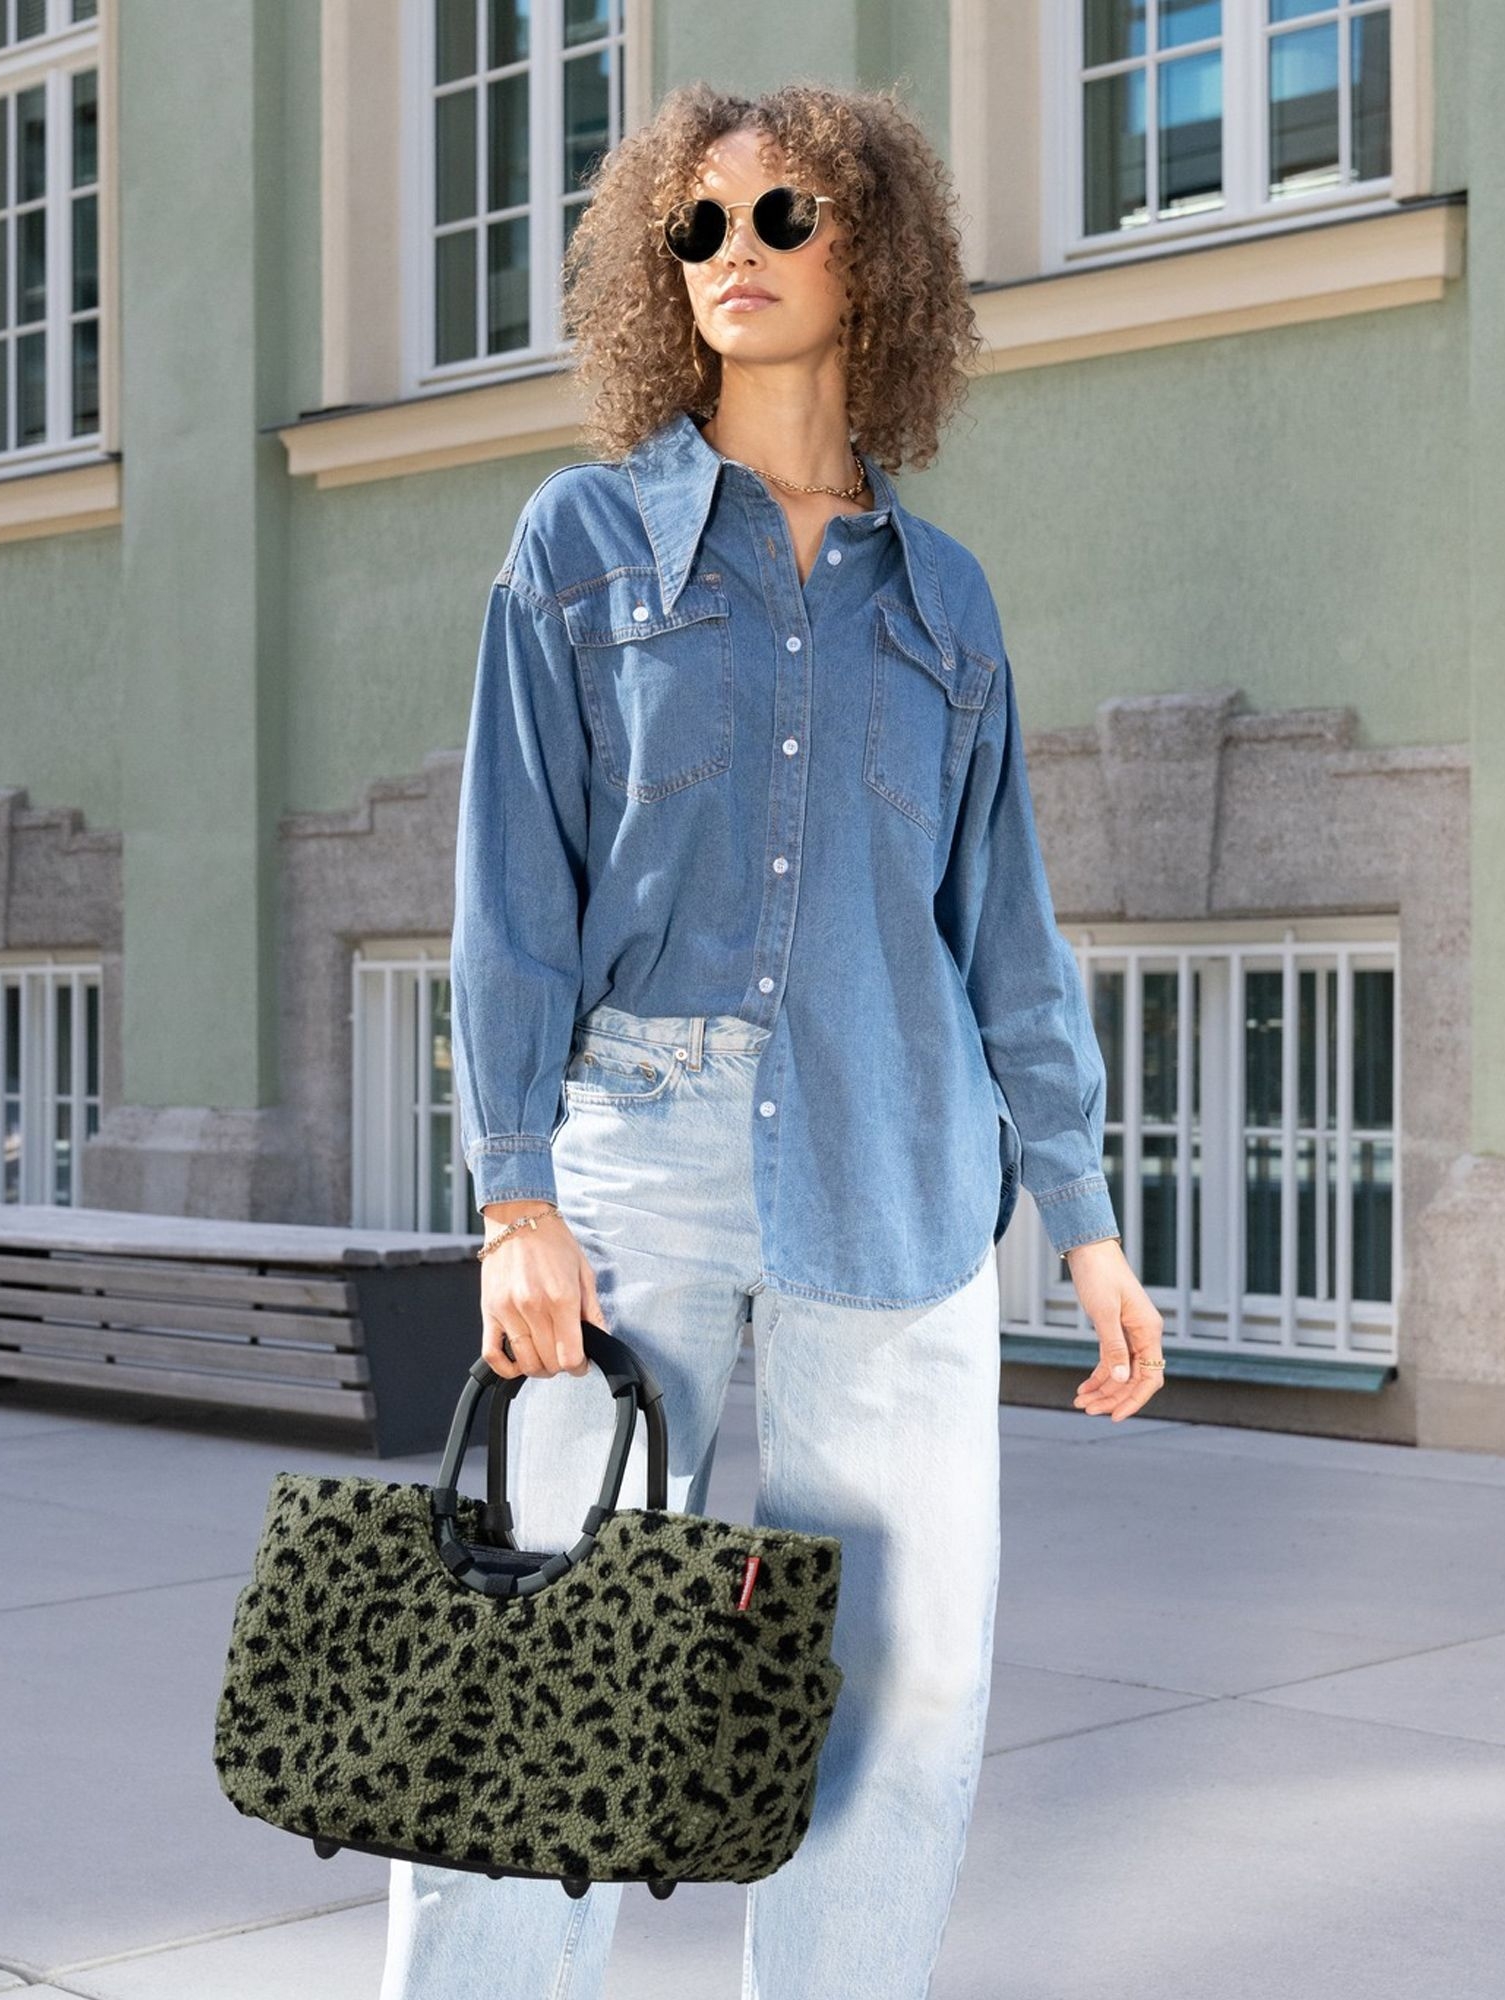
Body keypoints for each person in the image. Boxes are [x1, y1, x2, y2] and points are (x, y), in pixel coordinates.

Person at [382, 78, 1167, 2000]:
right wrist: (511, 1196)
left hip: (903, 1171)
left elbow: (1006, 939)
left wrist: (1083, 1215)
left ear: (873, 258)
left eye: (781, 217)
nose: (734, 255)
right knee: (547, 1655)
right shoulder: (578, 547)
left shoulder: (950, 604)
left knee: (905, 1684)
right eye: (696, 229)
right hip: (636, 1167)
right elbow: (513, 900)